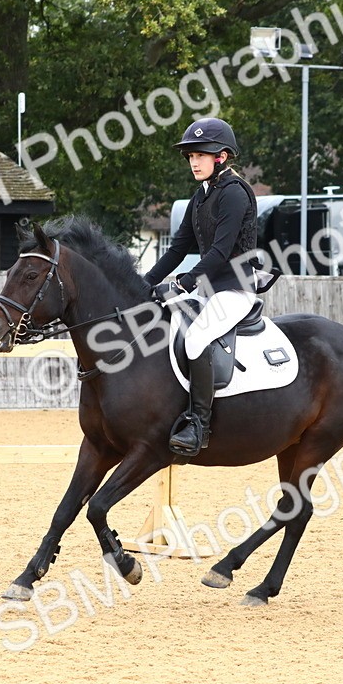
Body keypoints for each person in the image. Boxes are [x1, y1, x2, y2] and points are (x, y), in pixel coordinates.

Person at [143, 117, 258, 457]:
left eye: (200, 155)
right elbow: (177, 249)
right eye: (190, 155)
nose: (193, 161)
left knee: (195, 338)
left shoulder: (235, 194)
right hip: (208, 290)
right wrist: (144, 283)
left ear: (221, 157)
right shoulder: (200, 197)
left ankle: (199, 425)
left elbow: (222, 251)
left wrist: (187, 280)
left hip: (235, 289)